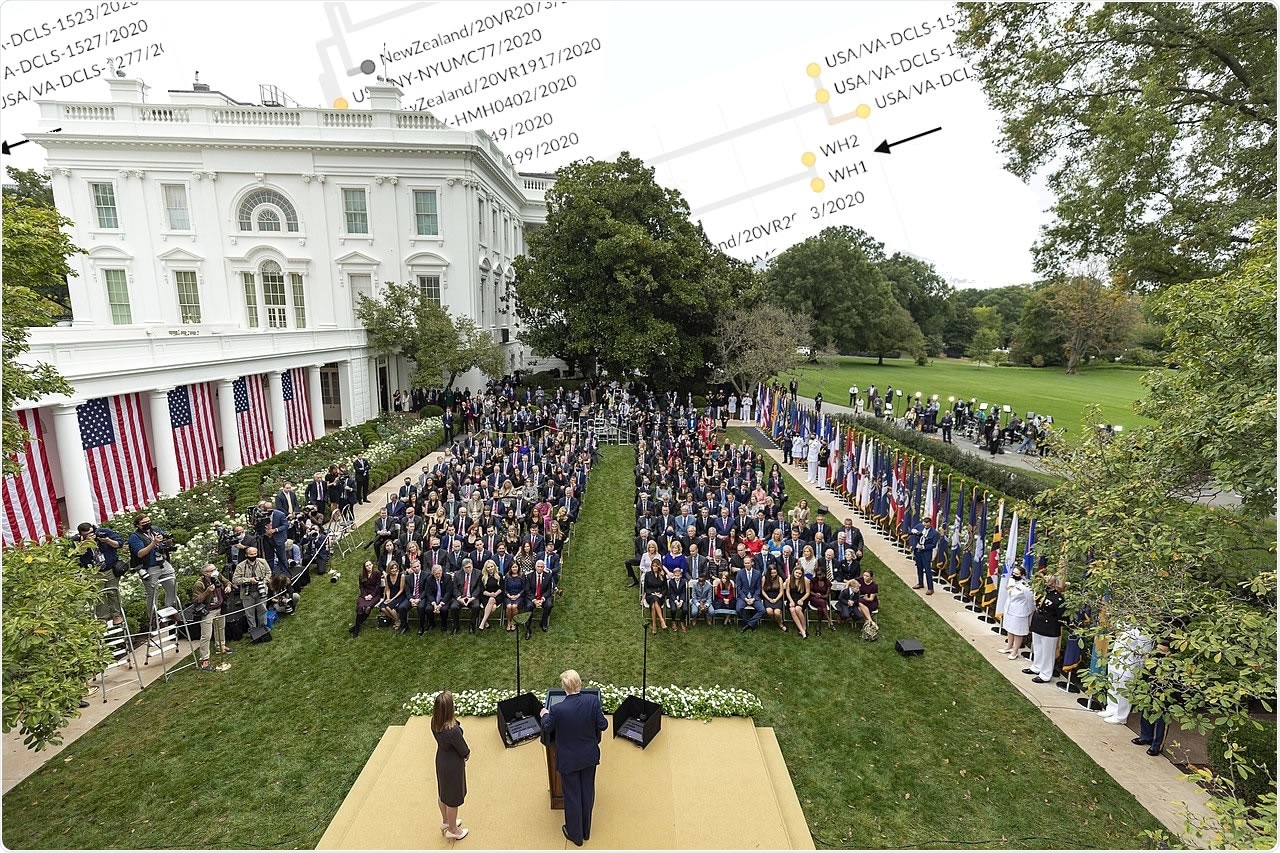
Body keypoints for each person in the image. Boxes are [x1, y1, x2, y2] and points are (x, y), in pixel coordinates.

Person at [538, 669, 608, 847]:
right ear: (579, 684)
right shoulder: (592, 701)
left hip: (568, 760)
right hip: (589, 757)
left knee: (572, 796)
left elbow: (546, 727)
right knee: (587, 792)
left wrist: (544, 714)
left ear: (564, 688)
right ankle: (586, 831)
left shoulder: (557, 709)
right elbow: (603, 725)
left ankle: (575, 835)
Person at [432, 691, 470, 841]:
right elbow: (463, 750)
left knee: (443, 793)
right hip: (453, 765)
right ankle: (453, 830)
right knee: (453, 798)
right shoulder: (452, 730)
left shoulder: (434, 722)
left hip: (441, 760)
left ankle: (446, 821)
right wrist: (467, 754)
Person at [128, 512, 178, 627]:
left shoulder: (155, 529)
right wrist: (153, 542)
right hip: (148, 567)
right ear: (137, 525)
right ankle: (154, 618)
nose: (147, 524)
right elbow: (140, 554)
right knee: (152, 593)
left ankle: (170, 611)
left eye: (148, 521)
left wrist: (167, 541)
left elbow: (164, 543)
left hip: (163, 563)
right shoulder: (135, 537)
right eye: (144, 523)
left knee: (172, 587)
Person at [77, 521, 126, 626]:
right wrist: (86, 543)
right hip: (94, 572)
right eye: (86, 535)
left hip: (110, 568)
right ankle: (102, 618)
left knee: (113, 592)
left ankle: (116, 615)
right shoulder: (78, 541)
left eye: (92, 532)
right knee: (99, 595)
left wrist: (107, 540)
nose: (91, 535)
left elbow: (119, 544)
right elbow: (78, 555)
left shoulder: (104, 532)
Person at [1027, 575, 1067, 683]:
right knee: (1037, 647)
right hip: (1038, 623)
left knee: (1047, 653)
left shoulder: (1058, 598)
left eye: (1048, 581)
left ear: (1054, 583)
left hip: (1050, 627)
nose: (1046, 583)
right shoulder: (1042, 593)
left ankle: (1045, 674)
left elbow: (1062, 615)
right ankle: (1036, 667)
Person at [191, 563, 231, 670]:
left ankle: (220, 647)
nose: (215, 571)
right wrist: (207, 592)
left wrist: (228, 586)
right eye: (211, 570)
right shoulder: (199, 584)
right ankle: (204, 659)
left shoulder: (217, 576)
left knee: (221, 628)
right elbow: (196, 600)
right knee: (206, 635)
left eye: (215, 569)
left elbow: (227, 581)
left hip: (220, 607)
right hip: (208, 611)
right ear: (205, 573)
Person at [231, 545, 270, 632]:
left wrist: (263, 581)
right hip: (247, 593)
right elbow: (235, 580)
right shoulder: (240, 566)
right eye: (251, 554)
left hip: (261, 591)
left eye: (255, 554)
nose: (253, 556)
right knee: (249, 613)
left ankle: (263, 628)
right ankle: (253, 630)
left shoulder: (263, 562)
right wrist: (248, 580)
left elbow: (269, 573)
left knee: (262, 610)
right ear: (246, 555)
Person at [1000, 567, 1035, 660]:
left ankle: (1015, 651)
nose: (1014, 575)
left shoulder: (1026, 587)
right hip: (1009, 609)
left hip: (1020, 613)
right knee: (1009, 629)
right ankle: (1009, 647)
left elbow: (1031, 602)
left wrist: (1027, 612)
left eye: (1017, 574)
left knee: (1017, 632)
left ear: (1022, 575)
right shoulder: (1011, 581)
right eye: (1014, 573)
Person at [349, 560, 382, 637]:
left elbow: (378, 586)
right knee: (361, 607)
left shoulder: (377, 573)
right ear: (365, 567)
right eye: (367, 566)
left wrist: (371, 595)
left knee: (367, 608)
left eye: (370, 565)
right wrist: (365, 596)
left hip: (375, 594)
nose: (369, 567)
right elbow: (361, 587)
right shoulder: (362, 575)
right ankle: (357, 626)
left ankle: (356, 626)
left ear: (372, 565)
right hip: (364, 594)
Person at [911, 517, 939, 595]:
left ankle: (930, 588)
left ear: (930, 523)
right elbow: (910, 531)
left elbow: (933, 544)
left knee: (927, 570)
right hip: (918, 552)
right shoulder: (919, 526)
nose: (925, 525)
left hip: (926, 553)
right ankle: (920, 583)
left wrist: (924, 547)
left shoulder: (934, 533)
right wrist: (914, 531)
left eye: (927, 524)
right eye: (924, 523)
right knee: (919, 568)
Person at [643, 555, 667, 634]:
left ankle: (654, 625)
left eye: (656, 566)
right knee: (654, 599)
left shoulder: (662, 575)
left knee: (654, 604)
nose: (654, 567)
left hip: (660, 596)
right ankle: (661, 620)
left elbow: (665, 588)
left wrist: (661, 594)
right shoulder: (648, 575)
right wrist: (653, 593)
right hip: (650, 595)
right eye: (653, 566)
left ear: (659, 567)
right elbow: (646, 588)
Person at [477, 560, 504, 630]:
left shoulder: (499, 575)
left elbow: (502, 588)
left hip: (498, 595)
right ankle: (485, 621)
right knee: (493, 607)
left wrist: (495, 594)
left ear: (494, 566)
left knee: (492, 599)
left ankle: (483, 621)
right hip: (486, 596)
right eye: (488, 567)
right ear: (486, 568)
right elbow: (482, 590)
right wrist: (490, 594)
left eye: (492, 566)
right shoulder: (482, 576)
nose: (490, 568)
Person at [786, 565, 811, 639]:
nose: (797, 575)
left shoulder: (805, 580)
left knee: (797, 609)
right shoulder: (789, 579)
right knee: (792, 609)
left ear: (802, 574)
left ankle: (804, 627)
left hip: (802, 598)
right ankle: (802, 631)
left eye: (799, 573)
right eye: (796, 572)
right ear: (793, 572)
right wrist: (791, 601)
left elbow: (807, 593)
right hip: (792, 598)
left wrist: (802, 600)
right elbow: (787, 592)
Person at [761, 564, 787, 632]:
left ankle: (780, 623)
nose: (774, 574)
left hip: (777, 597)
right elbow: (762, 590)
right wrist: (768, 598)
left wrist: (776, 599)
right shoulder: (764, 578)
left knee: (777, 612)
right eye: (772, 573)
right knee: (769, 611)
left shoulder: (779, 578)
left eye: (775, 572)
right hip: (767, 597)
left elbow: (781, 591)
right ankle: (778, 620)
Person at [665, 565, 688, 631]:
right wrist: (676, 601)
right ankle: (673, 621)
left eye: (678, 576)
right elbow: (671, 593)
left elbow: (683, 592)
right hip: (673, 598)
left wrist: (681, 601)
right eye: (675, 575)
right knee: (673, 609)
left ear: (680, 575)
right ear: (673, 575)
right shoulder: (671, 582)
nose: (677, 577)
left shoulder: (683, 582)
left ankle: (682, 621)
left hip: (681, 598)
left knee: (685, 609)